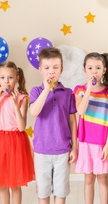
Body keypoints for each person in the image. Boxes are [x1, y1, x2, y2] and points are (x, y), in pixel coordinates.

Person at [0, 61, 34, 204]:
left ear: (17, 78)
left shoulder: (22, 98)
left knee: (15, 184)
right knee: (2, 183)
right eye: (2, 78)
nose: (6, 81)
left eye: (10, 77)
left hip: (16, 141)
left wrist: (16, 105)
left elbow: (22, 127)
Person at [29, 47, 78, 204]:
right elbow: (34, 112)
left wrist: (75, 147)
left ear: (61, 69)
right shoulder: (36, 91)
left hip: (63, 150)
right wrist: (46, 89)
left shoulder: (67, 92)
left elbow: (72, 121)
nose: (51, 71)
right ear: (40, 70)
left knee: (61, 191)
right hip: (42, 151)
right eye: (47, 68)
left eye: (55, 67)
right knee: (43, 192)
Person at [74, 52, 108, 204]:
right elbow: (80, 111)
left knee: (103, 178)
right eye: (90, 68)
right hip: (86, 142)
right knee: (88, 178)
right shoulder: (79, 90)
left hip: (102, 142)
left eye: (98, 68)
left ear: (104, 70)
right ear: (84, 70)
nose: (94, 71)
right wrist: (89, 89)